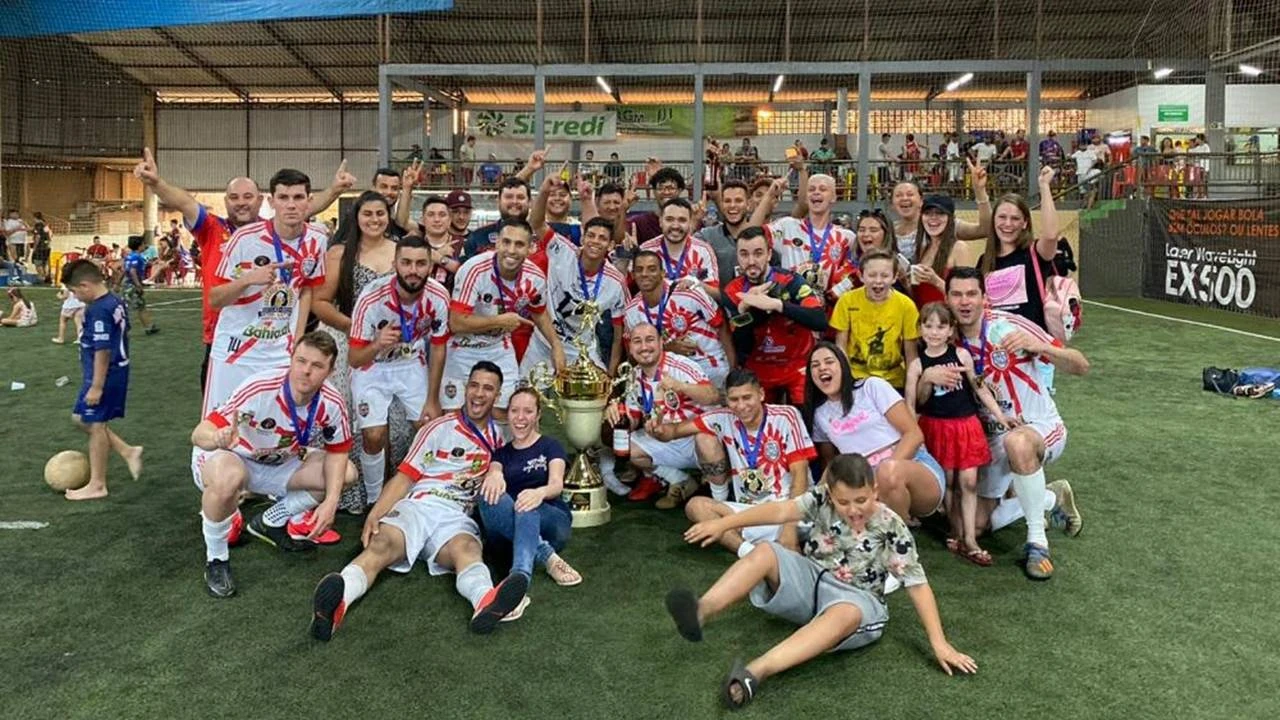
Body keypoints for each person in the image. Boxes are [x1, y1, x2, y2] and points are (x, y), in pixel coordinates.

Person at [666, 453, 977, 710]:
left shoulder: (891, 525)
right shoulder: (820, 498)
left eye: (861, 500)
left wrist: (940, 644)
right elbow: (782, 511)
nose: (853, 510)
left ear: (875, 491)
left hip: (859, 600)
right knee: (765, 552)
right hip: (813, 580)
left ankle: (755, 671)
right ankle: (701, 610)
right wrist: (725, 525)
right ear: (830, 494)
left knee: (846, 613)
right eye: (844, 502)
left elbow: (917, 585)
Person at [308, 362, 531, 640]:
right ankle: (338, 601)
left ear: (497, 395)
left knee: (468, 549)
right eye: (474, 385)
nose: (478, 393)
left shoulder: (502, 438)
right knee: (381, 544)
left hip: (457, 516)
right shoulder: (438, 428)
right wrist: (375, 513)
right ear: (465, 388)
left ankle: (485, 602)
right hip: (420, 505)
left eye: (487, 388)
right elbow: (404, 478)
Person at [942, 267, 1088, 580]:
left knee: (1018, 442)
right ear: (947, 299)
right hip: (991, 440)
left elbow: (1080, 365)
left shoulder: (1010, 325)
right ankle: (1049, 498)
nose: (964, 302)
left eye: (971, 294)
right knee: (972, 527)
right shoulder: (945, 338)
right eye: (957, 294)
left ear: (984, 298)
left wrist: (1041, 347)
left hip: (1040, 426)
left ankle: (1037, 543)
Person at [190, 332, 358, 598]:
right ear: (291, 359)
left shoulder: (332, 402)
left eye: (317, 366)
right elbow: (199, 433)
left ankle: (271, 521)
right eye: (301, 361)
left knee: (346, 473)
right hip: (235, 458)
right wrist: (216, 438)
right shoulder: (260, 388)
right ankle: (217, 560)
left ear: (330, 371)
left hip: (280, 462)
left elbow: (339, 452)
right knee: (227, 478)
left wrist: (331, 502)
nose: (306, 371)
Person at [203, 168, 327, 422]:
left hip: (279, 354)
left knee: (272, 426)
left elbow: (306, 288)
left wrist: (297, 339)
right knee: (220, 427)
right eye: (283, 198)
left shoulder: (318, 239)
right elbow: (215, 299)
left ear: (309, 201)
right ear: (271, 202)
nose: (291, 205)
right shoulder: (243, 239)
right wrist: (248, 279)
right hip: (235, 352)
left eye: (298, 197)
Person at [650, 368, 815, 556]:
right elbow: (673, 431)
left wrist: (789, 529)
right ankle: (749, 553)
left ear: (761, 394)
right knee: (695, 506)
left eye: (747, 397)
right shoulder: (722, 418)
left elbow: (800, 476)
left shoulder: (786, 416)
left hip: (788, 510)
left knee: (793, 523)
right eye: (734, 399)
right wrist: (657, 429)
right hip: (750, 514)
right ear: (727, 400)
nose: (741, 406)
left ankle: (764, 544)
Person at [311, 191, 397, 513]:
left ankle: (386, 492)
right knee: (346, 414)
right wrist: (355, 327)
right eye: (367, 214)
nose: (374, 220)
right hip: (347, 339)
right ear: (356, 218)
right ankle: (344, 490)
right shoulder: (340, 253)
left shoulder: (401, 250)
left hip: (389, 347)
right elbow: (320, 302)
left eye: (380, 213)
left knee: (388, 421)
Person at [904, 303, 1010, 566]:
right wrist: (927, 380)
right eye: (928, 326)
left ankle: (970, 540)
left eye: (941, 326)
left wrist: (1000, 415)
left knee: (969, 482)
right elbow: (912, 404)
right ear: (920, 329)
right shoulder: (917, 365)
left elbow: (978, 387)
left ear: (951, 330)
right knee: (949, 483)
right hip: (938, 427)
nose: (934, 332)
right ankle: (955, 531)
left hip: (966, 426)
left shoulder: (961, 355)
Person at [348, 235, 450, 507]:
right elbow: (354, 359)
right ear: (394, 264)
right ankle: (374, 500)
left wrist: (433, 398)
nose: (413, 270)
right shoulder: (371, 297)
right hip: (373, 367)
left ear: (430, 266)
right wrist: (377, 344)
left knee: (429, 427)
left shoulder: (439, 295)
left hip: (410, 363)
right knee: (373, 435)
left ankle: (423, 494)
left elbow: (438, 347)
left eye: (420, 263)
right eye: (406, 262)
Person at [804, 341, 944, 523]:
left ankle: (897, 537)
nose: (822, 368)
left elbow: (914, 435)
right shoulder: (820, 415)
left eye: (829, 362)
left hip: (913, 466)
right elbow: (831, 463)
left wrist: (880, 478)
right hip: (863, 480)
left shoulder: (871, 387)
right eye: (815, 365)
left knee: (888, 471)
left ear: (843, 365)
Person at [447, 219, 565, 423]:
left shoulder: (535, 278)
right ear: (497, 243)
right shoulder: (474, 269)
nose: (511, 250)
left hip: (498, 347)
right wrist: (498, 321)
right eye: (506, 242)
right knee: (454, 416)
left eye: (519, 244)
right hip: (462, 347)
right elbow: (456, 322)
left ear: (530, 248)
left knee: (505, 412)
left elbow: (539, 312)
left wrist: (556, 345)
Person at [603, 322, 721, 506]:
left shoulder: (680, 365)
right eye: (637, 341)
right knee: (624, 445)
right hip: (664, 436)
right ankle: (680, 480)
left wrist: (682, 387)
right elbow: (633, 417)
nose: (644, 347)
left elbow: (713, 396)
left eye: (650, 340)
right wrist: (619, 415)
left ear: (660, 342)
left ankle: (720, 499)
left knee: (707, 440)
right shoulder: (633, 376)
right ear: (630, 348)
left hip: (695, 437)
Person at [479, 387, 581, 597]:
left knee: (526, 504)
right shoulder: (501, 453)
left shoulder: (550, 446)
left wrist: (539, 493)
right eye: (514, 411)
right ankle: (547, 557)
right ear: (508, 414)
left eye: (528, 411)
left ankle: (520, 575)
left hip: (550, 521)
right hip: (510, 531)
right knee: (488, 493)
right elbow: (495, 471)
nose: (520, 417)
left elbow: (556, 485)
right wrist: (494, 474)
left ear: (538, 415)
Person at [59, 260, 144, 501]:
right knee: (80, 418)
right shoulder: (114, 300)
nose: (75, 297)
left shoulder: (98, 310)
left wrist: (97, 386)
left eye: (75, 292)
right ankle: (127, 451)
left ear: (85, 286)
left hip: (105, 375)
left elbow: (103, 350)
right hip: (108, 372)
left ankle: (97, 484)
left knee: (95, 425)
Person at [721, 227, 826, 404]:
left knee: (804, 413)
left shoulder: (791, 281)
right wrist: (746, 312)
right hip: (758, 367)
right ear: (737, 257)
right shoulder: (733, 291)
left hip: (796, 363)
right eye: (744, 254)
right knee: (758, 416)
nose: (751, 261)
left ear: (769, 254)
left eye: (758, 253)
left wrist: (778, 305)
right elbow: (742, 346)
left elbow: (819, 320)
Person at [520, 217, 628, 376]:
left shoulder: (616, 282)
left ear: (611, 245)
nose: (595, 241)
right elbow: (536, 223)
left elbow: (619, 336)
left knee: (599, 389)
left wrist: (611, 377)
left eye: (602, 238)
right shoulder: (562, 251)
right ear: (582, 238)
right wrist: (543, 197)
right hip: (542, 344)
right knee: (526, 390)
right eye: (591, 235)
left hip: (581, 351)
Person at [622, 250, 733, 389]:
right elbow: (632, 355)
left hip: (710, 366)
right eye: (639, 270)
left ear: (662, 273)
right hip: (671, 373)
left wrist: (733, 370)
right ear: (633, 275)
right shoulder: (632, 311)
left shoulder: (688, 292)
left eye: (652, 269)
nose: (645, 274)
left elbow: (722, 327)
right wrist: (667, 348)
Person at [749, 173, 855, 307]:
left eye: (823, 189)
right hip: (791, 311)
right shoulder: (787, 226)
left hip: (827, 313)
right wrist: (769, 195)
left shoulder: (847, 237)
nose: (816, 192)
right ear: (806, 197)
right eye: (811, 189)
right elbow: (750, 233)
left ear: (833, 197)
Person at [977, 167, 1060, 333]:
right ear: (994, 221)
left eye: (1015, 218)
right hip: (996, 343)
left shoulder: (1035, 253)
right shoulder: (984, 260)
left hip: (1032, 343)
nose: (1008, 224)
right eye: (1002, 217)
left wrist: (1044, 186)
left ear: (1025, 223)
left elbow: (1051, 235)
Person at [830, 250, 920, 392]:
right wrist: (846, 386)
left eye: (885, 275)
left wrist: (910, 399)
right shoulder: (846, 301)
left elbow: (911, 356)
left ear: (895, 277)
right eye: (872, 275)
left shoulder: (906, 305)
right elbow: (841, 346)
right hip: (856, 379)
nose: (878, 281)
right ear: (861, 276)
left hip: (893, 381)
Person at [890, 165, 989, 261]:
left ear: (921, 201)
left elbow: (984, 230)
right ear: (892, 204)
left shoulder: (937, 224)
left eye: (910, 194)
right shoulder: (889, 231)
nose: (904, 198)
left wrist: (980, 192)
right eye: (898, 195)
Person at [640, 198, 720, 297]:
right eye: (669, 219)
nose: (675, 226)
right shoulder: (646, 250)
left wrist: (697, 284)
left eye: (682, 220)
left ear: (690, 222)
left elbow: (717, 294)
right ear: (660, 221)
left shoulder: (703, 250)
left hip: (693, 306)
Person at [908, 195, 962, 308]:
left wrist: (935, 280)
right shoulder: (923, 249)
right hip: (923, 316)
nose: (933, 218)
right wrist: (905, 281)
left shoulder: (959, 248)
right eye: (928, 213)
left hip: (947, 316)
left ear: (951, 218)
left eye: (940, 213)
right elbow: (918, 295)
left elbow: (965, 294)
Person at [121, 236, 160, 336]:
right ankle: (121, 328)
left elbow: (124, 270)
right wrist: (138, 285)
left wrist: (118, 283)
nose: (145, 246)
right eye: (143, 244)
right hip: (132, 285)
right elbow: (132, 271)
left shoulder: (129, 256)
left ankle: (149, 327)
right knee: (127, 307)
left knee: (141, 306)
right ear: (139, 246)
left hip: (128, 284)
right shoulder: (136, 257)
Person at [31, 211, 52, 281]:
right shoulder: (46, 225)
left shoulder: (38, 225)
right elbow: (50, 235)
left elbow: (38, 236)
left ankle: (41, 277)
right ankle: (47, 276)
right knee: (45, 263)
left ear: (34, 218)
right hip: (47, 247)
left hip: (40, 247)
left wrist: (34, 247)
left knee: (38, 263)